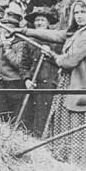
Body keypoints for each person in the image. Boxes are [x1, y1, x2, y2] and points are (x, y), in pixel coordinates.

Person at [16, 0, 86, 170]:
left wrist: (52, 55)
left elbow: (68, 62)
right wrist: (25, 31)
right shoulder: (79, 31)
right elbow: (56, 34)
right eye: (76, 12)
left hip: (83, 89)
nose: (79, 16)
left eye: (83, 12)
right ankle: (69, 166)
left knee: (80, 131)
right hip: (70, 87)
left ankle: (84, 169)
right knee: (68, 127)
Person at [20, 7, 61, 136]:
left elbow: (65, 62)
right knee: (28, 119)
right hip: (32, 85)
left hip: (49, 85)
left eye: (42, 20)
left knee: (44, 119)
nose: (39, 23)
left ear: (48, 23)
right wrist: (26, 79)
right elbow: (23, 64)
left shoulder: (57, 40)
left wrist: (51, 54)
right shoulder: (29, 41)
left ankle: (42, 145)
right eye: (37, 20)